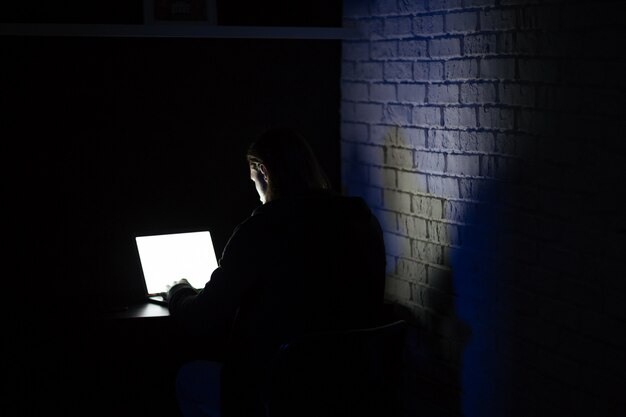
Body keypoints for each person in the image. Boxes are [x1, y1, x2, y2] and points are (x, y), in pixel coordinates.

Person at [166, 127, 387, 417]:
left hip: (278, 389)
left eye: (253, 179)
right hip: (353, 384)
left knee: (189, 378)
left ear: (263, 171)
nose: (256, 190)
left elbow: (203, 316)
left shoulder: (260, 230)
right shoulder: (361, 219)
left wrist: (179, 291)